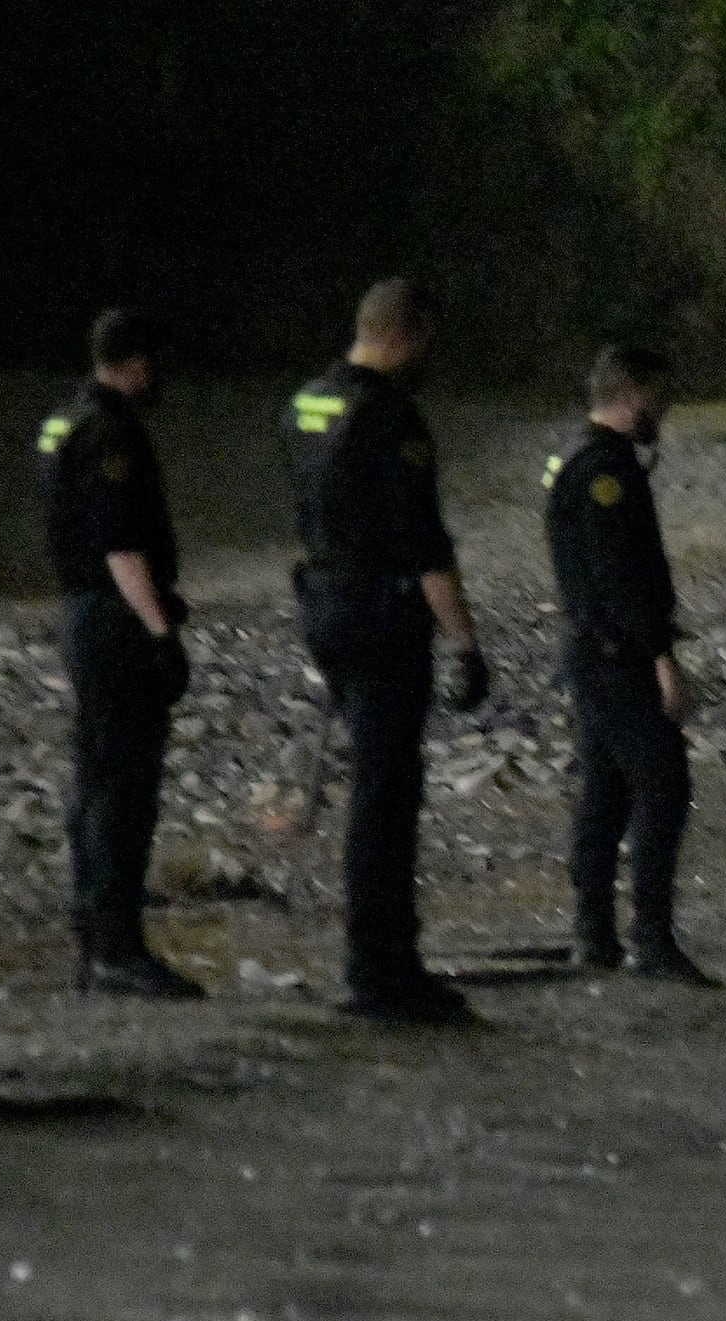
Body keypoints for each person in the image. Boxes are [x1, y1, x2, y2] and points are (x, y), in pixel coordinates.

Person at [285, 277, 491, 1023]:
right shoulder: (392, 417)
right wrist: (464, 641)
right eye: (427, 344)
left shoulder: (305, 404)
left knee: (374, 785)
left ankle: (379, 959)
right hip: (381, 616)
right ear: (405, 336)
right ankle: (380, 966)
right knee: (386, 792)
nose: (429, 361)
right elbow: (424, 541)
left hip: (325, 604)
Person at [39, 306, 203, 998]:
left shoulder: (64, 419)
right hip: (115, 621)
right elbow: (120, 546)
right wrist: (160, 631)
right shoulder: (112, 433)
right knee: (125, 786)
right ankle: (117, 948)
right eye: (155, 361)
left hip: (81, 613)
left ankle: (95, 933)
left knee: (96, 775)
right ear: (136, 361)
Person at [543, 344, 712, 984]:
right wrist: (662, 657)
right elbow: (621, 577)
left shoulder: (576, 457)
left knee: (606, 794)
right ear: (634, 392)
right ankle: (651, 941)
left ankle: (594, 935)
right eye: (661, 396)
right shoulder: (606, 471)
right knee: (662, 786)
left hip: (592, 651)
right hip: (617, 657)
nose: (665, 410)